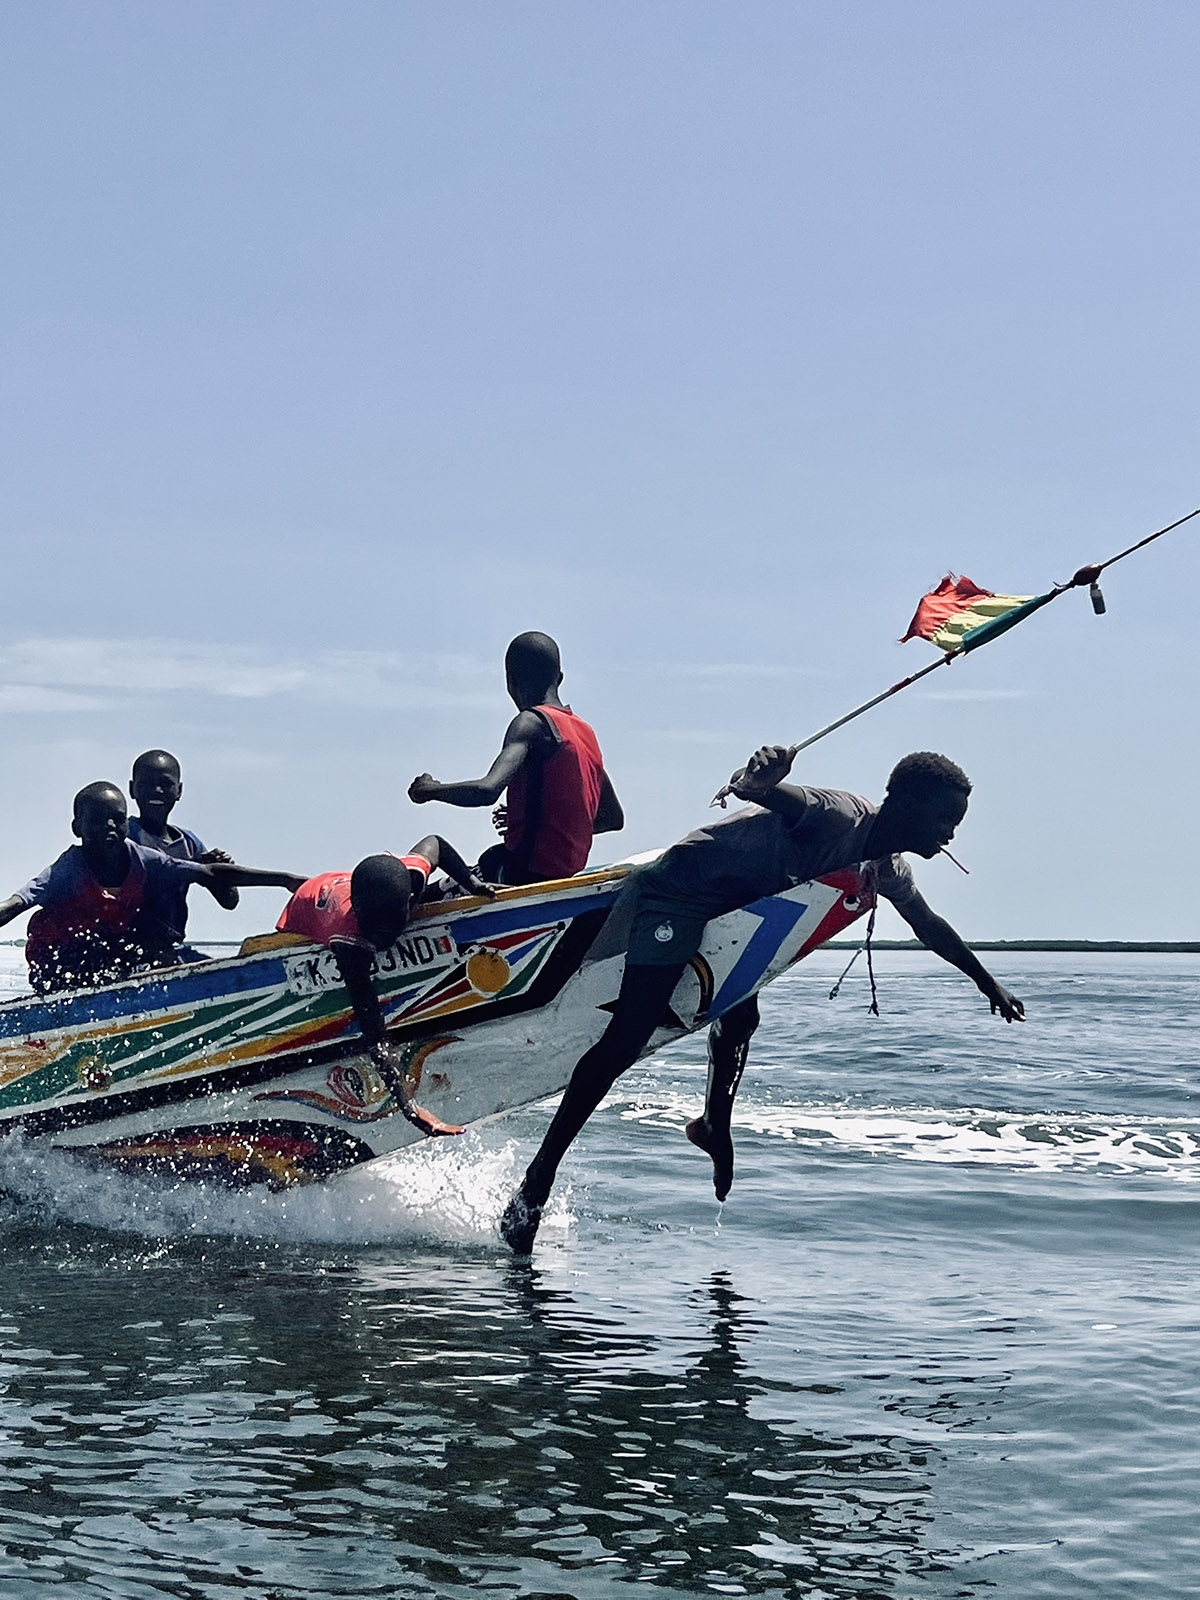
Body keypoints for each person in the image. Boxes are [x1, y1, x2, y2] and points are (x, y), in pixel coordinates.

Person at [500, 746, 1025, 1253]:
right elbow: (775, 795)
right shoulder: (840, 816)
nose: (951, 833)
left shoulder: (883, 870)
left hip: (732, 915)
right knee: (629, 1035)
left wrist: (986, 982)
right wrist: (761, 779)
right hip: (678, 893)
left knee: (741, 1016)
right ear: (906, 805)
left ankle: (713, 1125)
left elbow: (928, 925)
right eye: (944, 819)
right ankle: (536, 1185)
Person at [276, 839, 495, 1137]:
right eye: (373, 926)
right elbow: (374, 1032)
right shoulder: (349, 939)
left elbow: (436, 844)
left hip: (359, 884)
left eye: (391, 924)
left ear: (408, 899)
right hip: (305, 908)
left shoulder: (413, 875)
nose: (384, 935)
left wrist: (472, 884)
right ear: (358, 912)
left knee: (455, 883)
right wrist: (408, 1105)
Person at [0, 783, 306, 996]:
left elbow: (210, 873)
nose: (109, 826)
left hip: (113, 954)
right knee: (105, 953)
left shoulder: (144, 860)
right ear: (77, 828)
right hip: (58, 965)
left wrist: (285, 880)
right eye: (97, 820)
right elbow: (15, 904)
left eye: (117, 819)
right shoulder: (66, 870)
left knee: (160, 954)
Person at [407, 631, 623, 885]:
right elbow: (612, 818)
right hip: (563, 877)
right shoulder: (586, 734)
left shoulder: (531, 722)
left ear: (511, 682)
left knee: (434, 853)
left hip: (518, 874)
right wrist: (543, 820)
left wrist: (430, 790)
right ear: (560, 679)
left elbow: (487, 791)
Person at [128, 748, 239, 958]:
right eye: (147, 784)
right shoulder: (125, 837)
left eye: (165, 784)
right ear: (133, 789)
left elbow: (229, 901)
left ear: (179, 791)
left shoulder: (189, 844)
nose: (157, 790)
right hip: (130, 951)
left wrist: (225, 870)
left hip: (172, 948)